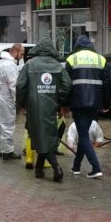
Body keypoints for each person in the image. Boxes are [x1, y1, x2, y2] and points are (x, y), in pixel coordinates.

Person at [16, 38, 71, 182]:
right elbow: (67, 84)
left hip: (34, 105)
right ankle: (39, 169)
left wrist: (20, 104)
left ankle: (56, 167)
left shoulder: (30, 64)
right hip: (51, 105)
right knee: (46, 135)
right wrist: (60, 101)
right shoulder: (57, 66)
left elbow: (20, 85)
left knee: (38, 135)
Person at [64, 35, 111, 179]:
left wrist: (64, 104)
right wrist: (106, 103)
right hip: (95, 103)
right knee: (83, 133)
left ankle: (96, 168)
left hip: (78, 102)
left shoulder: (72, 59)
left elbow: (66, 84)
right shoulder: (101, 59)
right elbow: (107, 83)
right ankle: (76, 166)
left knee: (83, 135)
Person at [0, 44, 24, 160]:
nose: (22, 56)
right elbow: (14, 85)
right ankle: (8, 152)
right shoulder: (10, 65)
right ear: (16, 51)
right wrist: (19, 101)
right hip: (5, 98)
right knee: (7, 125)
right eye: (21, 53)